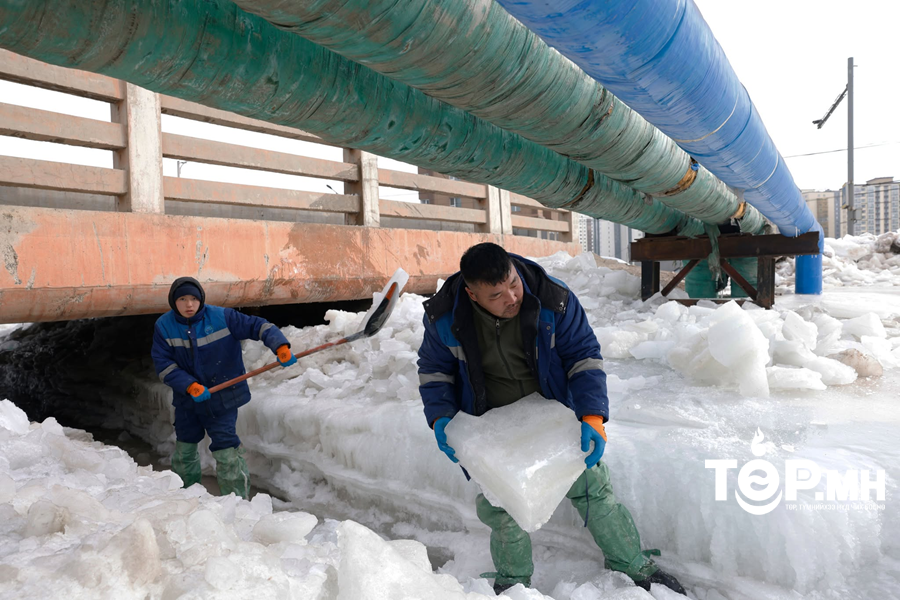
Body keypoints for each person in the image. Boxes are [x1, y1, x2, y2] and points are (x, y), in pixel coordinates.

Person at [417, 243, 685, 595]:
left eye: (513, 283)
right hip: (492, 423)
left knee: (592, 488)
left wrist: (592, 416)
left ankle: (632, 564)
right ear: (472, 294)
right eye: (496, 294)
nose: (512, 297)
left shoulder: (553, 298)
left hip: (552, 415)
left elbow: (584, 357)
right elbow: (435, 371)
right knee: (502, 506)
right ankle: (513, 583)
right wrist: (441, 418)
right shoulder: (445, 316)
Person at [151, 276, 297, 499]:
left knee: (227, 452)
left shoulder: (222, 317)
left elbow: (258, 326)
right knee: (185, 451)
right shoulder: (164, 326)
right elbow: (163, 364)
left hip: (223, 399)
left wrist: (280, 345)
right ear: (174, 301)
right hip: (188, 401)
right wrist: (189, 386)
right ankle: (187, 500)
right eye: (182, 299)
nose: (189, 304)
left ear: (201, 299)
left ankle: (237, 504)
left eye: (193, 298)